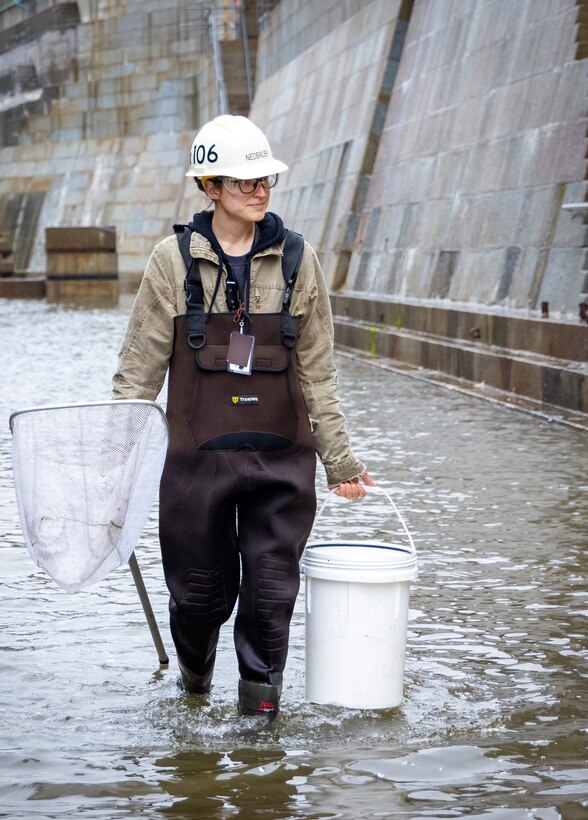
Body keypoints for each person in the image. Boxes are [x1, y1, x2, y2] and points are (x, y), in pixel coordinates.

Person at [112, 115, 374, 719]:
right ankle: (194, 689)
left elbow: (318, 372)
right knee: (201, 597)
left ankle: (261, 727)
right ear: (209, 186)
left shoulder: (298, 261)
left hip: (282, 462)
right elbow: (137, 375)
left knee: (271, 596)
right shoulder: (171, 262)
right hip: (193, 467)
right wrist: (115, 469)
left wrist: (340, 462)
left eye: (265, 181)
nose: (260, 192)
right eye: (243, 182)